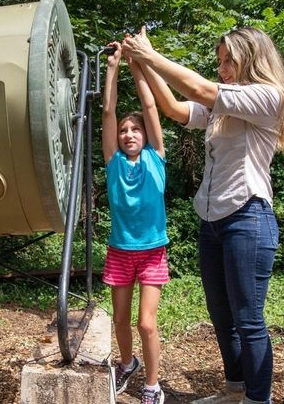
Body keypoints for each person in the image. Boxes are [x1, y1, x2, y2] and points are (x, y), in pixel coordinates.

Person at [122, 26, 284, 404]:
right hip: (213, 222)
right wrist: (140, 64)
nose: (221, 69)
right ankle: (235, 391)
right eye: (218, 62)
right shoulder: (224, 107)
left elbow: (200, 90)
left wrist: (151, 54)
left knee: (248, 320)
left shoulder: (268, 96)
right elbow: (173, 108)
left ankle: (257, 398)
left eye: (227, 61)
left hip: (248, 217)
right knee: (222, 316)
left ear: (251, 58)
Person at [101, 40, 169, 404]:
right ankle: (128, 363)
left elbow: (150, 106)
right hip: (120, 251)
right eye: (125, 130)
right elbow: (108, 112)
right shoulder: (113, 163)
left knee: (146, 323)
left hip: (153, 251)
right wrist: (113, 65)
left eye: (135, 130)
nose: (128, 134)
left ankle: (152, 386)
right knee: (121, 320)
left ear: (145, 137)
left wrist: (136, 63)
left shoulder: (156, 159)